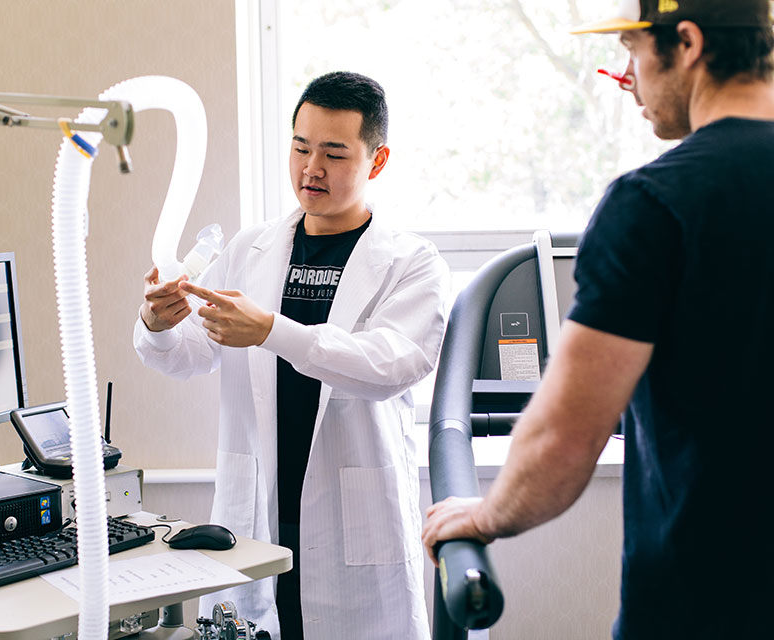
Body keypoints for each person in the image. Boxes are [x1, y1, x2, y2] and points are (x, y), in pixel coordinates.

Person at [422, 1, 774, 637]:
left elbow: (566, 435)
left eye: (635, 51)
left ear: (688, 44)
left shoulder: (653, 205)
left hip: (706, 609)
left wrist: (487, 516)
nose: (628, 76)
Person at [135, 71, 449, 639]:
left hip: (350, 516)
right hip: (258, 506)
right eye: (301, 147)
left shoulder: (411, 262)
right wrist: (157, 323)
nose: (311, 168)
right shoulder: (250, 249)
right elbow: (188, 357)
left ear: (376, 162)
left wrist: (273, 331)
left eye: (334, 153)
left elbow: (391, 366)